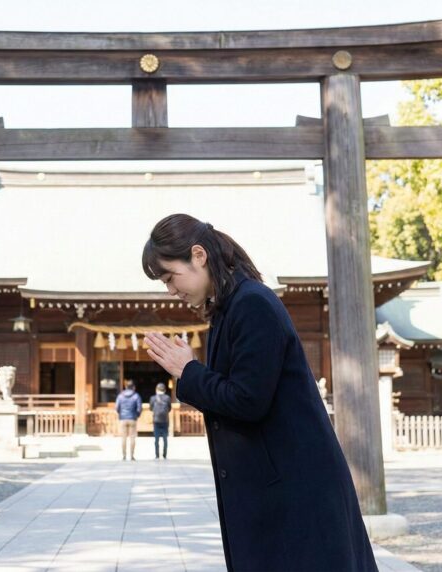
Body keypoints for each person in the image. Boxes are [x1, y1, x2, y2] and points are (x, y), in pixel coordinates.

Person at [142, 214, 378, 572]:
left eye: (170, 277)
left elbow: (248, 399)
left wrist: (188, 371)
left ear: (198, 255)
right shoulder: (228, 309)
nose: (171, 290)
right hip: (277, 486)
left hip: (294, 489)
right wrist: (191, 373)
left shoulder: (252, 304)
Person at [114, 379, 141, 461]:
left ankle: (124, 456)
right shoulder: (136, 395)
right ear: (133, 387)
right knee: (132, 437)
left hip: (123, 418)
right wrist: (136, 415)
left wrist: (121, 414)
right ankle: (132, 456)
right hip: (132, 418)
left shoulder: (120, 396)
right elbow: (139, 408)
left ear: (125, 386)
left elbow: (117, 407)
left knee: (124, 438)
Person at [149, 382, 171, 459]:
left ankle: (157, 455)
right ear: (164, 390)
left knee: (156, 439)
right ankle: (164, 455)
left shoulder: (153, 398)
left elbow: (151, 408)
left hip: (156, 420)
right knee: (165, 439)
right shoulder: (167, 398)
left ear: (156, 389)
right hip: (165, 420)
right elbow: (169, 408)